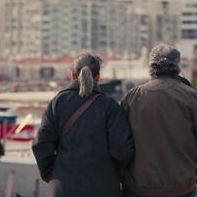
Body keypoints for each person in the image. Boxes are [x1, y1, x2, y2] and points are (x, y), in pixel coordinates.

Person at [32, 52, 134, 197]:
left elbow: (41, 144)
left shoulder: (58, 103)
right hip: (103, 188)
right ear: (98, 78)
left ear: (72, 75)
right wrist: (112, 175)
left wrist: (53, 175)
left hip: (64, 188)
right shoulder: (110, 107)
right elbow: (122, 149)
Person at [121, 44, 197, 197]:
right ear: (177, 67)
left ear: (150, 67)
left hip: (139, 188)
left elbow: (121, 145)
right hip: (182, 187)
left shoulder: (132, 97)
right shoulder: (193, 97)